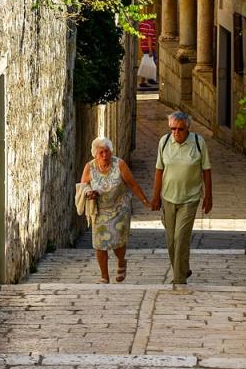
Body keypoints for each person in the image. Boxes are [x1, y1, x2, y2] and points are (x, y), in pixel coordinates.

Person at [151, 111, 212, 285]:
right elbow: (159, 170)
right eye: (173, 129)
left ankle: (179, 279)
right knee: (171, 241)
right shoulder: (164, 142)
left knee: (181, 238)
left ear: (188, 128)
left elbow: (206, 170)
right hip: (168, 197)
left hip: (190, 198)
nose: (176, 132)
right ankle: (183, 268)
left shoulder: (198, 143)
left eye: (180, 129)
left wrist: (208, 196)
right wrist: (156, 197)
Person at [81, 136, 150, 283]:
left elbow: (132, 184)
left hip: (120, 209)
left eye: (107, 151)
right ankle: (104, 276)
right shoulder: (90, 167)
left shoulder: (119, 164)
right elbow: (83, 185)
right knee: (100, 244)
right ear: (95, 154)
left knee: (117, 241)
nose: (104, 155)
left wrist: (145, 200)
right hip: (100, 210)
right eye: (101, 152)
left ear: (111, 151)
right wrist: (88, 192)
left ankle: (121, 261)